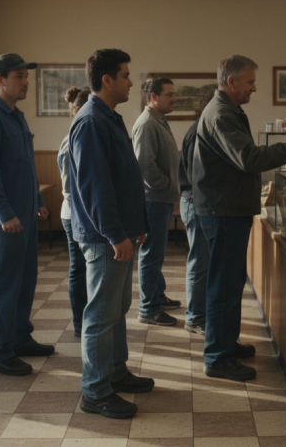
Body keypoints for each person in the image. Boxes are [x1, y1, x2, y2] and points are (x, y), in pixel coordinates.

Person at [193, 55, 286, 381]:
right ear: (231, 81)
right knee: (223, 286)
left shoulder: (229, 110)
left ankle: (225, 344)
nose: (254, 88)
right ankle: (217, 358)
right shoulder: (221, 114)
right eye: (249, 82)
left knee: (231, 282)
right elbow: (248, 158)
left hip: (228, 209)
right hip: (223, 211)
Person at [69, 48, 151, 419]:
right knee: (101, 315)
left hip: (120, 233)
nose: (131, 82)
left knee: (117, 309)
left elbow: (125, 178)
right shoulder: (90, 122)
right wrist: (116, 235)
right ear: (107, 80)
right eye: (126, 75)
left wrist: (137, 226)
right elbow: (95, 188)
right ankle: (96, 391)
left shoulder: (108, 118)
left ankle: (115, 372)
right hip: (105, 239)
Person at [0, 53, 54, 376]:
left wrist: (37, 200)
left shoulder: (16, 116)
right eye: (18, 76)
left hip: (25, 216)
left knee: (24, 282)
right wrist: (4, 213)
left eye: (26, 76)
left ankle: (19, 338)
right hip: (4, 222)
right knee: (3, 287)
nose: (25, 82)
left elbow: (26, 166)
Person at [133, 77, 182, 327]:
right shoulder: (146, 123)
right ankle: (149, 308)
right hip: (153, 199)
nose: (174, 98)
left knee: (156, 253)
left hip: (161, 198)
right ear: (154, 97)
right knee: (151, 253)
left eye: (174, 94)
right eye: (169, 94)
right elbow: (145, 166)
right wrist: (165, 184)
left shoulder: (158, 120)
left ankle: (157, 296)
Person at [178, 90, 215, 336]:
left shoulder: (204, 128)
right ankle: (194, 317)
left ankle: (199, 313)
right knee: (199, 263)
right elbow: (196, 177)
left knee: (202, 262)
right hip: (195, 203)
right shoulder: (199, 131)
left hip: (197, 202)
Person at [57, 86, 90, 338]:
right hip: (75, 215)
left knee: (85, 269)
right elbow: (69, 190)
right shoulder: (71, 140)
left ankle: (88, 320)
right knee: (79, 269)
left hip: (83, 214)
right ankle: (80, 324)